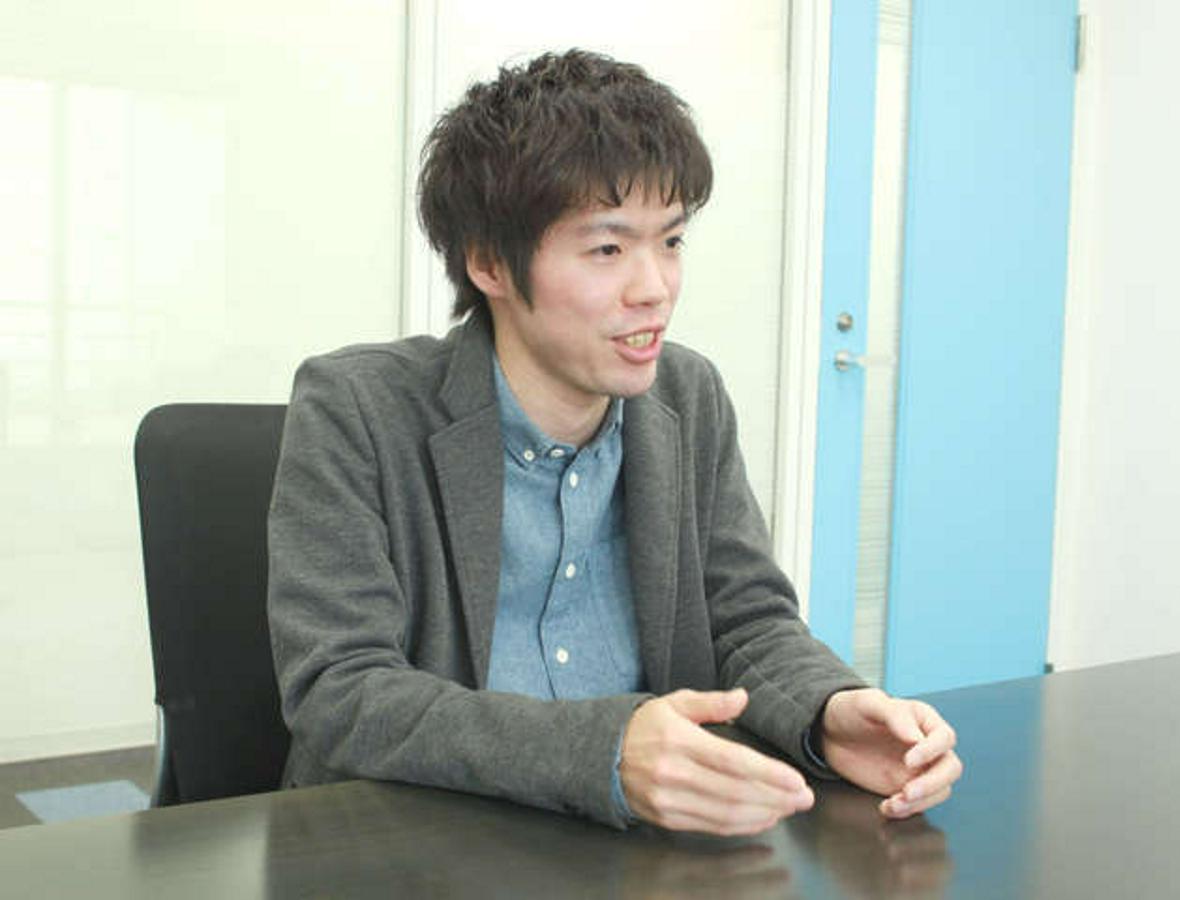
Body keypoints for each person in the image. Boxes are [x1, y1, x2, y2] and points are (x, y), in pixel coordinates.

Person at [267, 49, 962, 836]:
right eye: (607, 249)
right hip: (422, 843)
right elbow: (342, 692)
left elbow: (746, 621)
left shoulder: (688, 397)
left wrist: (830, 709)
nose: (654, 287)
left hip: (648, 849)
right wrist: (602, 752)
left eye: (671, 242)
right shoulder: (357, 408)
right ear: (489, 262)